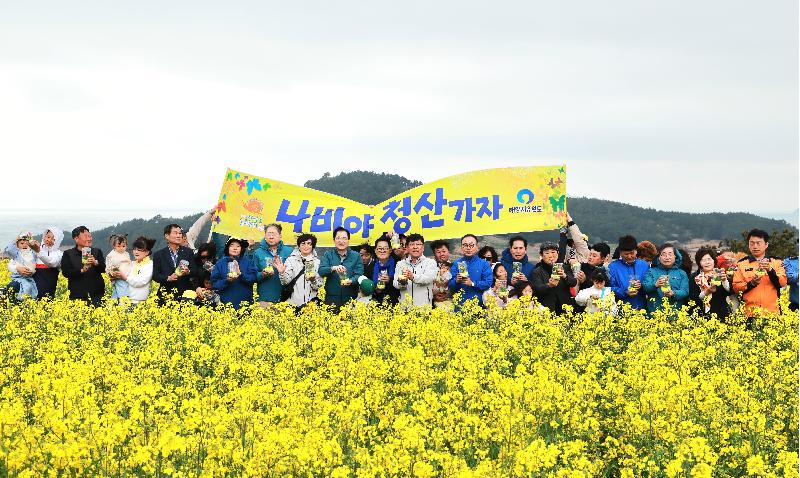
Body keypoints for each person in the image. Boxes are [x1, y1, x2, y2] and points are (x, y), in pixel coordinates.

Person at [732, 229, 787, 317]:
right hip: (749, 314)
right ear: (748, 245)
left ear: (766, 245)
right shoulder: (741, 264)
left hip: (772, 313)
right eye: (752, 243)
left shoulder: (777, 262)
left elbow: (782, 283)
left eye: (758, 243)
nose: (755, 246)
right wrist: (752, 283)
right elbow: (736, 287)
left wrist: (770, 270)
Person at [319, 227, 364, 310]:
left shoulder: (356, 256)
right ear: (334, 240)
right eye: (338, 238)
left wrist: (351, 280)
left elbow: (359, 274)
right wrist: (333, 268)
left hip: (350, 298)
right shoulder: (328, 254)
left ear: (348, 240)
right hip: (331, 298)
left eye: (344, 238)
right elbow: (321, 271)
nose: (341, 241)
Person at [61, 226, 106, 306]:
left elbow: (103, 269)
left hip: (97, 295)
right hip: (77, 296)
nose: (89, 239)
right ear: (76, 239)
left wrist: (96, 263)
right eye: (86, 236)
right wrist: (82, 270)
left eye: (90, 236)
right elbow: (66, 273)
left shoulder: (96, 252)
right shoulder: (68, 254)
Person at [152, 224, 197, 304]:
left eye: (180, 233)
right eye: (175, 233)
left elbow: (195, 270)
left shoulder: (188, 252)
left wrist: (188, 271)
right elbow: (155, 275)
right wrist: (168, 278)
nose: (179, 236)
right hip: (166, 295)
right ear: (167, 236)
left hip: (185, 295)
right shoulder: (159, 254)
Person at [211, 237, 258, 309]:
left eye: (238, 246)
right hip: (225, 304)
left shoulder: (248, 262)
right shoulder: (220, 263)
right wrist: (227, 280)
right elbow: (214, 284)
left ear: (242, 249)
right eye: (232, 245)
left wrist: (241, 275)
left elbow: (253, 278)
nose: (235, 248)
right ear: (227, 248)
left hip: (244, 305)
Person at [253, 224, 294, 306]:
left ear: (280, 235)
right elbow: (253, 275)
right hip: (265, 298)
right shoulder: (258, 253)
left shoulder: (289, 251)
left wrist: (283, 271)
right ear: (265, 236)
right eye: (268, 234)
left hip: (287, 299)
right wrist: (262, 274)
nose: (271, 237)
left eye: (274, 234)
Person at [642, 243, 690, 314]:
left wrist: (673, 293)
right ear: (659, 257)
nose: (667, 257)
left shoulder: (681, 273)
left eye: (670, 254)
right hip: (655, 314)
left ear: (675, 257)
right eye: (663, 254)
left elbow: (685, 291)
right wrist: (655, 284)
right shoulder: (651, 271)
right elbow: (645, 287)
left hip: (676, 315)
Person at [530, 241, 577, 314]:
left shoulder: (565, 267)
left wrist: (564, 276)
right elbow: (538, 289)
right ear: (541, 255)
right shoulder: (536, 271)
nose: (551, 255)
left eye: (553, 252)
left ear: (557, 253)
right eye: (547, 253)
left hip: (565, 308)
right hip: (546, 310)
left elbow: (573, 282)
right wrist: (549, 285)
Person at [448, 234, 493, 309]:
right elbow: (450, 285)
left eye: (471, 245)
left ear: (477, 247)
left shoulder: (484, 264)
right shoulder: (456, 264)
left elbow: (488, 283)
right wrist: (456, 281)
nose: (468, 248)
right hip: (460, 306)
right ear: (461, 248)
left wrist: (472, 283)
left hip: (479, 306)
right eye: (465, 245)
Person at [279, 233, 324, 307]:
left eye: (309, 244)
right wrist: (282, 273)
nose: (306, 246)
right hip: (292, 304)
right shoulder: (291, 260)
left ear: (313, 246)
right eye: (303, 244)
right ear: (299, 246)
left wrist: (313, 280)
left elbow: (318, 286)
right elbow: (285, 282)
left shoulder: (317, 263)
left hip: (311, 306)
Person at [393, 233, 438, 306]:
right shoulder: (400, 264)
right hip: (405, 308)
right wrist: (402, 282)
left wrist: (412, 276)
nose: (415, 247)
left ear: (423, 247)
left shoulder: (430, 262)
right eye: (412, 244)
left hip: (424, 308)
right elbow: (395, 284)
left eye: (418, 244)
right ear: (407, 247)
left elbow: (428, 278)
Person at [607, 235, 650, 311]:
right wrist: (625, 292)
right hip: (620, 309)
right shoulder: (613, 267)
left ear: (636, 251)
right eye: (626, 254)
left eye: (632, 253)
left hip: (641, 308)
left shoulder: (644, 265)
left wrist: (641, 286)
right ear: (620, 252)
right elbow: (609, 288)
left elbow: (650, 285)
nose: (629, 256)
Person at [688, 246, 731, 320]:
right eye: (703, 260)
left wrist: (724, 280)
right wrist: (706, 292)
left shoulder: (720, 273)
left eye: (709, 259)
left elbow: (730, 291)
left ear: (714, 260)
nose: (707, 262)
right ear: (699, 263)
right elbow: (693, 298)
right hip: (701, 317)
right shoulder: (694, 277)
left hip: (721, 315)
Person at [113, 236, 156, 305]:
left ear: (147, 252)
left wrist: (125, 277)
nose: (136, 252)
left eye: (139, 250)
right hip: (125, 301)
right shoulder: (132, 263)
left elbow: (140, 282)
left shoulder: (149, 265)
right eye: (135, 249)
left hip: (139, 303)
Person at [30, 227, 63, 299]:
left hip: (48, 288)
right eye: (48, 237)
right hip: (33, 288)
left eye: (54, 239)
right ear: (44, 236)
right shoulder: (34, 249)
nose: (49, 240)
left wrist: (38, 251)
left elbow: (52, 263)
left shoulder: (59, 254)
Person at [4, 232, 38, 300]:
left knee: (30, 288)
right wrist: (15, 240)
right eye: (21, 243)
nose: (24, 245)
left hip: (30, 277)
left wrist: (32, 241)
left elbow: (38, 252)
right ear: (17, 245)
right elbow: (8, 250)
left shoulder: (32, 253)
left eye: (26, 243)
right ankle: (20, 300)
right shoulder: (16, 253)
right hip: (19, 277)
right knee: (27, 287)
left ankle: (24, 302)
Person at [368, 235, 401, 305]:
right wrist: (376, 290)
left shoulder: (398, 264)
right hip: (376, 305)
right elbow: (367, 286)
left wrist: (390, 280)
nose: (382, 251)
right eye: (380, 248)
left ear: (390, 250)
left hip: (395, 304)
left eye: (385, 248)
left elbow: (402, 284)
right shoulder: (370, 266)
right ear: (375, 250)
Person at [105, 235, 132, 300]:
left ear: (126, 246)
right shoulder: (111, 255)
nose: (121, 248)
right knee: (123, 294)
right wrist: (111, 273)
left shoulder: (126, 254)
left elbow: (129, 265)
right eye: (118, 246)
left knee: (118, 292)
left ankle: (114, 304)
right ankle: (123, 305)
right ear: (114, 246)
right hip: (118, 277)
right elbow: (109, 266)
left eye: (123, 246)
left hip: (127, 277)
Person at [431, 240, 453, 309]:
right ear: (434, 255)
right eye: (438, 252)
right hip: (434, 305)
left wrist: (448, 294)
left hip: (452, 302)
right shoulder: (430, 268)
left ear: (448, 252)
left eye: (444, 251)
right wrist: (434, 296)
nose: (441, 254)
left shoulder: (455, 267)